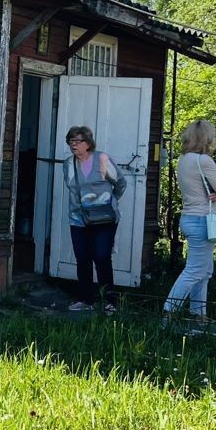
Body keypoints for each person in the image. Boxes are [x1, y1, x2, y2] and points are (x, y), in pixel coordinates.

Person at [164, 119, 216, 323]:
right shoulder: (204, 161)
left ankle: (199, 314)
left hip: (189, 217)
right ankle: (169, 311)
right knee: (194, 270)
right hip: (203, 220)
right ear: (207, 139)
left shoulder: (183, 160)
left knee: (205, 271)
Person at [63, 125, 126, 312]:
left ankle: (109, 301)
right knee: (82, 258)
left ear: (88, 143)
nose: (73, 145)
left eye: (78, 141)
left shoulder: (102, 159)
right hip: (78, 218)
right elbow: (72, 188)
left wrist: (108, 202)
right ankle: (86, 300)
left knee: (102, 257)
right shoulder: (68, 164)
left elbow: (121, 183)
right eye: (70, 141)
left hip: (104, 218)